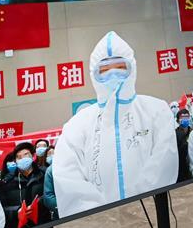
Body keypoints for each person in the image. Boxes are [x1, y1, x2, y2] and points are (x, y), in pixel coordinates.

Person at [54, 31, 179, 217]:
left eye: (120, 67)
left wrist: (138, 210)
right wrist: (104, 219)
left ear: (132, 68)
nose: (113, 74)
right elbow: (68, 180)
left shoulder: (156, 111)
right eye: (104, 70)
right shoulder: (76, 126)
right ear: (93, 73)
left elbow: (162, 166)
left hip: (153, 218)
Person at [0, 142, 48, 228]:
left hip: (44, 224)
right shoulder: (7, 182)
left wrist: (39, 203)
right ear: (15, 161)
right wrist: (17, 211)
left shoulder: (44, 175)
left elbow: (51, 195)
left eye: (26, 155)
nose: (22, 159)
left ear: (33, 157)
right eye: (19, 157)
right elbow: (2, 208)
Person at [174, 108, 193, 182]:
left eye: (187, 117)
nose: (185, 120)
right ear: (178, 120)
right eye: (182, 118)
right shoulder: (175, 134)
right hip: (181, 168)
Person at [42, 146, 57, 219]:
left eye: (53, 153)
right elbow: (48, 196)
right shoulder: (49, 171)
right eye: (49, 154)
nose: (52, 155)